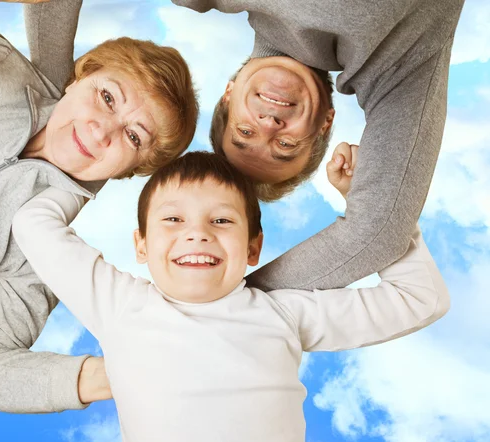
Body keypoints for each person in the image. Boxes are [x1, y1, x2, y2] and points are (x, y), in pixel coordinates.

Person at [10, 151, 449, 442]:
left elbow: (419, 299)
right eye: (172, 219)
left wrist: (371, 202)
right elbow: (33, 224)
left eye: (221, 220)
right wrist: (109, 162)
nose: (197, 233)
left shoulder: (283, 314)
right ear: (141, 245)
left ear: (253, 248)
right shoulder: (119, 305)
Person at [0, 0, 198, 412]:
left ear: (132, 168)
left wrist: (120, 374)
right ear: (80, 77)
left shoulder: (45, 246)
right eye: (107, 97)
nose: (102, 130)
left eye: (134, 137)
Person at [172, 0, 465, 292]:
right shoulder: (395, 66)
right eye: (286, 145)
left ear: (229, 93)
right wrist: (242, 301)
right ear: (325, 122)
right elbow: (377, 234)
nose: (269, 125)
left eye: (245, 132)